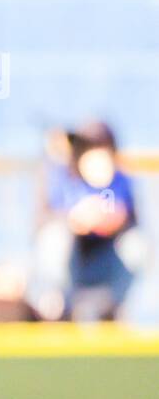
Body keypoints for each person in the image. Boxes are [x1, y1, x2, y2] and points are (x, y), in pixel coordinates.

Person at [39, 121, 142, 321]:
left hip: (108, 262)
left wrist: (114, 220)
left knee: (136, 244)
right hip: (73, 265)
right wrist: (75, 219)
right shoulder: (63, 177)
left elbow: (132, 221)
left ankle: (112, 308)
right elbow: (42, 220)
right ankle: (60, 309)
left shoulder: (120, 180)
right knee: (55, 238)